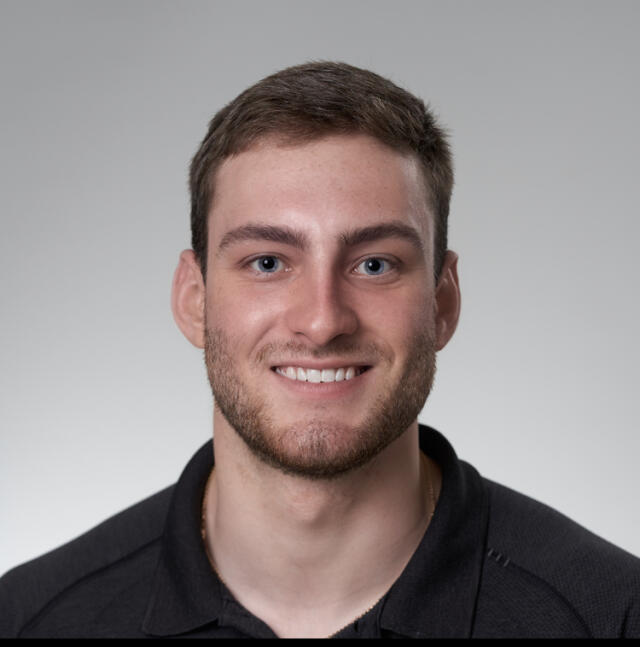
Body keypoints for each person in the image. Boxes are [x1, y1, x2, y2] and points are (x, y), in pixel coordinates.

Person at [1, 61, 638, 639]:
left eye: (375, 264)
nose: (323, 320)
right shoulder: (31, 618)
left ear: (443, 303)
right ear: (194, 299)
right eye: (269, 261)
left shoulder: (613, 615)